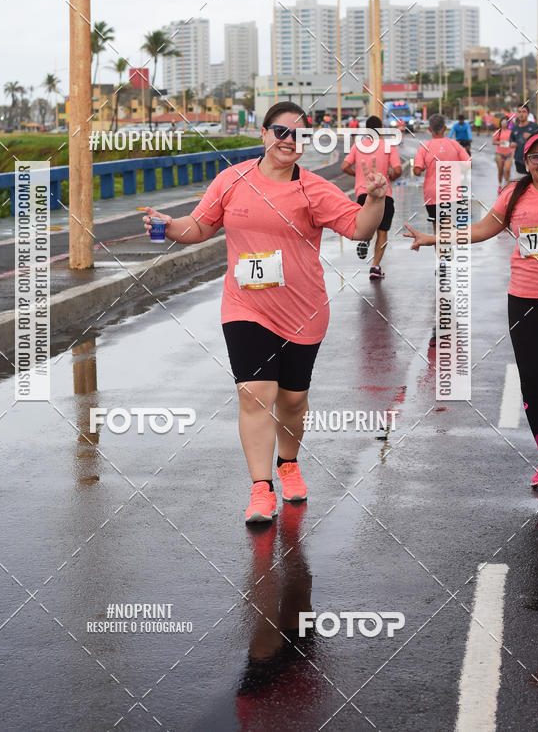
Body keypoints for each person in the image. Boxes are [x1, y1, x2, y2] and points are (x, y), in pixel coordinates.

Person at [142, 101, 388, 523]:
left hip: (303, 310)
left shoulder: (313, 188)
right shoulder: (232, 180)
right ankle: (261, 489)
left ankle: (288, 464)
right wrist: (168, 225)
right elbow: (200, 227)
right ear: (263, 134)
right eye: (280, 132)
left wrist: (376, 200)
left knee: (292, 400)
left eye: (297, 134)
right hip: (245, 305)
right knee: (256, 394)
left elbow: (359, 227)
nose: (288, 141)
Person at [404, 131, 538, 490]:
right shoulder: (514, 195)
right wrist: (433, 237)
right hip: (525, 300)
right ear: (525, 162)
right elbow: (481, 230)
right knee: (533, 379)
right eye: (535, 156)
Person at [413, 113, 471, 345]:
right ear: (445, 128)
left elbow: (417, 170)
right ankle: (447, 258)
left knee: (438, 227)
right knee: (448, 227)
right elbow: (467, 165)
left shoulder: (425, 146)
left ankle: (441, 260)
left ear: (429, 128)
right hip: (452, 193)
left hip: (432, 195)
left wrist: (424, 167)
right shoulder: (454, 144)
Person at [341, 115, 402, 279]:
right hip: (384, 194)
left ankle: (364, 239)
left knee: (366, 226)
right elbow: (397, 170)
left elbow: (344, 166)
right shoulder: (388, 146)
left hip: (363, 193)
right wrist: (389, 179)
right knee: (382, 231)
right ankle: (375, 266)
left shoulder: (358, 146)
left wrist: (358, 176)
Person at [510, 103, 538, 175]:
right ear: (516, 114)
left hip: (533, 162)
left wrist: (531, 136)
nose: (521, 114)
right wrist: (512, 144)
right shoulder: (515, 129)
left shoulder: (535, 127)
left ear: (528, 114)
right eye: (519, 112)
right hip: (519, 161)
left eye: (524, 112)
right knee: (520, 184)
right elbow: (511, 141)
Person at [493, 118, 515, 194]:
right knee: (500, 170)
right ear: (500, 123)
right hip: (499, 154)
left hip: (508, 154)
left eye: (506, 122)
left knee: (507, 170)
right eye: (503, 122)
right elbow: (494, 142)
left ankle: (506, 185)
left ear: (507, 123)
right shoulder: (498, 132)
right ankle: (499, 185)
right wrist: (500, 142)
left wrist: (511, 145)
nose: (504, 123)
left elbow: (513, 142)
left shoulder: (510, 132)